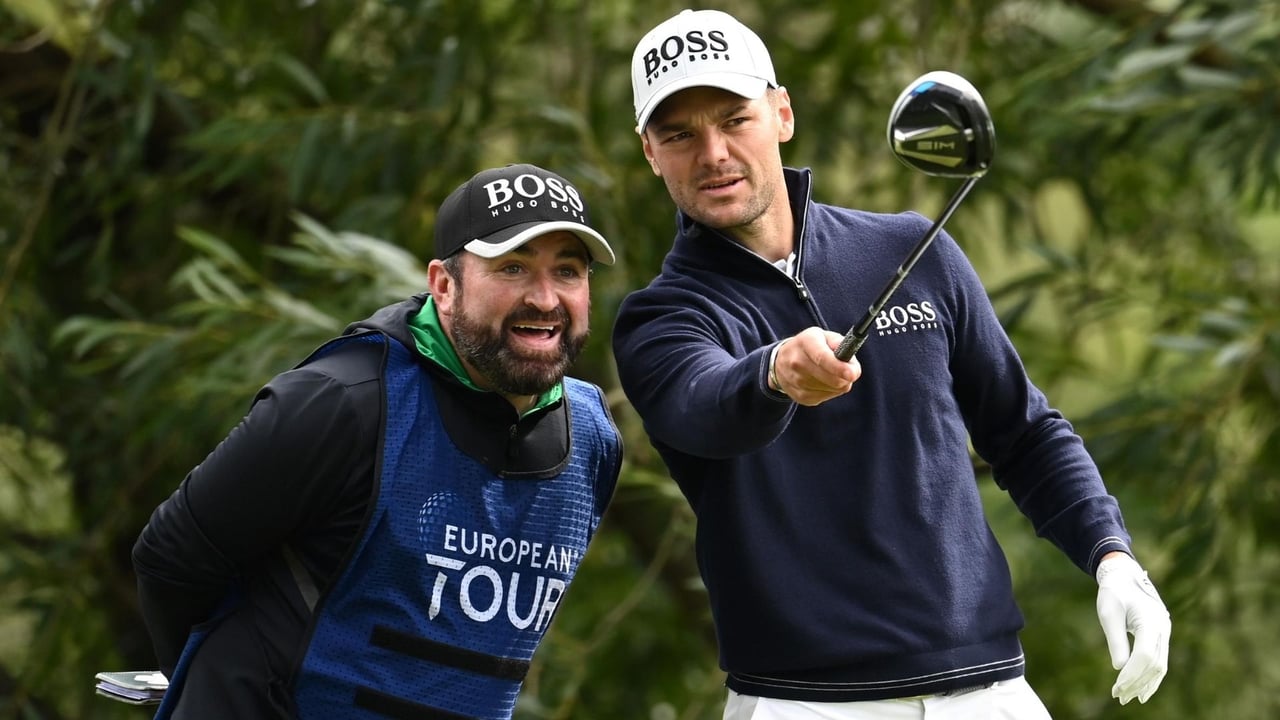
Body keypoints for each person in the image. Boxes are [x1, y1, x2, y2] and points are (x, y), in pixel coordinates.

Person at [613, 9, 1170, 719]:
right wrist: (775, 372)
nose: (713, 152)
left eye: (734, 119)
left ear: (782, 114)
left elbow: (1023, 432)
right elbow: (705, 404)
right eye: (679, 134)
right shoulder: (661, 318)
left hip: (991, 692)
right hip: (804, 704)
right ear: (650, 152)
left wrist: (1111, 556)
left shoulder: (911, 249)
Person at [132, 163, 623, 720]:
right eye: (513, 267)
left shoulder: (592, 438)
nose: (545, 298)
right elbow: (171, 558)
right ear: (444, 286)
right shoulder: (343, 403)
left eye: (567, 271)